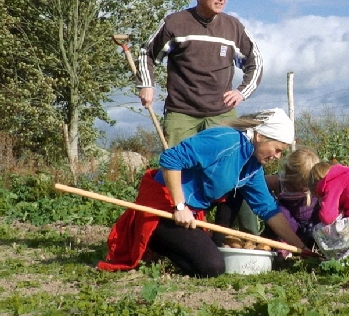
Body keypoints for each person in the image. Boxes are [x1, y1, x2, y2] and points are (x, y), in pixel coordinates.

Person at [97, 108, 309, 277]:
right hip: (164, 207)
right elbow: (170, 159)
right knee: (212, 267)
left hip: (191, 211)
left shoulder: (253, 166)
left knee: (237, 193)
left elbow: (268, 209)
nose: (278, 156)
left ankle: (206, 241)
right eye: (277, 149)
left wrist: (301, 248)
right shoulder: (224, 140)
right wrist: (179, 206)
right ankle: (155, 240)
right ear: (261, 136)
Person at [136, 0, 263, 148]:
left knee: (221, 169)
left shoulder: (233, 27)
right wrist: (146, 85)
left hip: (222, 114)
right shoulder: (175, 23)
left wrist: (242, 92)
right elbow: (147, 53)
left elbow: (255, 62)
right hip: (181, 114)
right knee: (178, 168)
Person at [261, 147, 321, 250]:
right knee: (279, 211)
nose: (307, 188)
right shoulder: (280, 183)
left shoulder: (316, 184)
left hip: (311, 224)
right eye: (303, 184)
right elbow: (258, 184)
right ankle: (283, 247)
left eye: (310, 184)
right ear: (292, 177)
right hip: (290, 224)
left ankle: (316, 247)